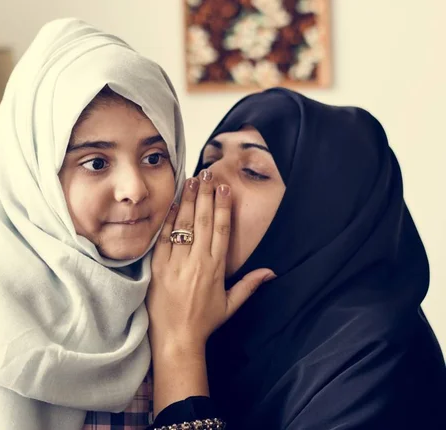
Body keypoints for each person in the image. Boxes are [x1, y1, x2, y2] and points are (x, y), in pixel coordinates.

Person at [0, 18, 187, 430]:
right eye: (96, 163)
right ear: (36, 183)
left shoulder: (187, 294)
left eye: (155, 157)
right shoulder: (0, 337)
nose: (134, 189)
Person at [147, 87, 446, 429]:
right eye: (210, 158)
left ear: (317, 212)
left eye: (254, 171)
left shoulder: (380, 354)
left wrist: (179, 349)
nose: (207, 178)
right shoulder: (211, 314)